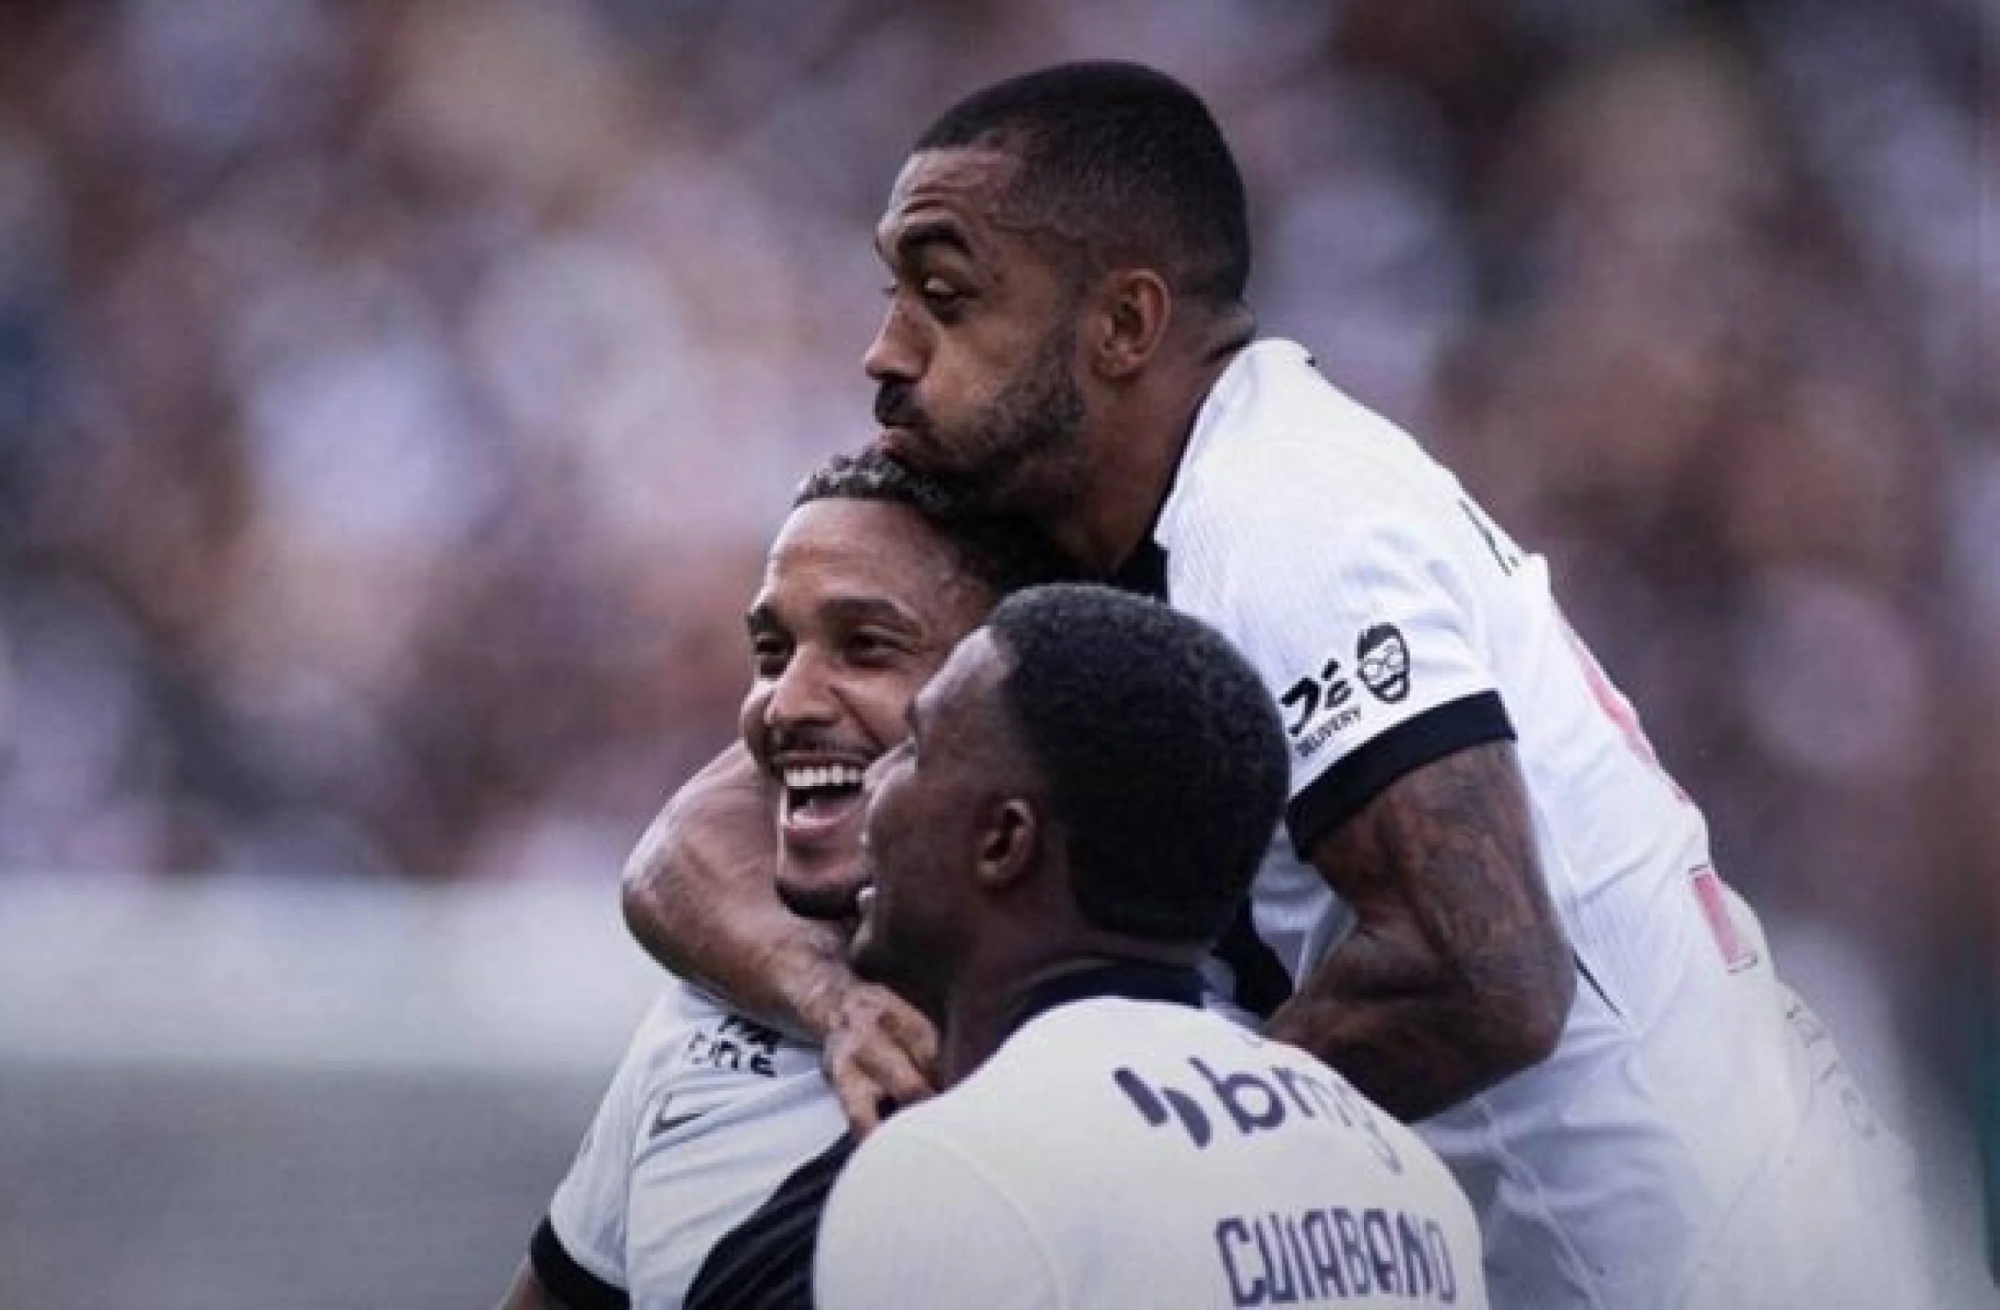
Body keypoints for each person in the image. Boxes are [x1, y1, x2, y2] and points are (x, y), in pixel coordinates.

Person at [633, 61, 1921, 1308]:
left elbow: (1483, 972)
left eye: (946, 295)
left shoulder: (1283, 522)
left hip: (1699, 1270)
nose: (884, 350)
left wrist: (1115, 1159)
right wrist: (832, 996)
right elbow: (689, 847)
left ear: (1124, 325)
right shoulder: (1096, 527)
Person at [814, 581, 1488, 1309]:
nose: (875, 782)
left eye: (914, 752)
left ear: (1004, 841)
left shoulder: (950, 1171)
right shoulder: (1401, 1173)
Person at [497, 451, 1067, 1309]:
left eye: (867, 648)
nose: (785, 704)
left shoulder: (1151, 1063)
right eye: (770, 654)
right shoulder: (694, 1027)